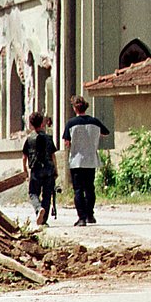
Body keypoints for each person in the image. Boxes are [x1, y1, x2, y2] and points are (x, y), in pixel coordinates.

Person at [62, 95, 109, 227]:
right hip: (91, 159)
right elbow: (105, 133)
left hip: (77, 160)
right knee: (90, 188)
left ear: (74, 108)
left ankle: (81, 217)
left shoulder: (71, 123)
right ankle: (90, 215)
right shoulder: (95, 122)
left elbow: (66, 142)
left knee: (78, 189)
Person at [21, 111, 57, 227]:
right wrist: (56, 170)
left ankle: (38, 208)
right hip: (48, 169)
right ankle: (44, 220)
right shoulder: (48, 138)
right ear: (42, 124)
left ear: (31, 125)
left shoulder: (29, 139)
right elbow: (53, 155)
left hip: (36, 169)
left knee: (33, 193)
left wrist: (25, 171)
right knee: (47, 194)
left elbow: (24, 157)